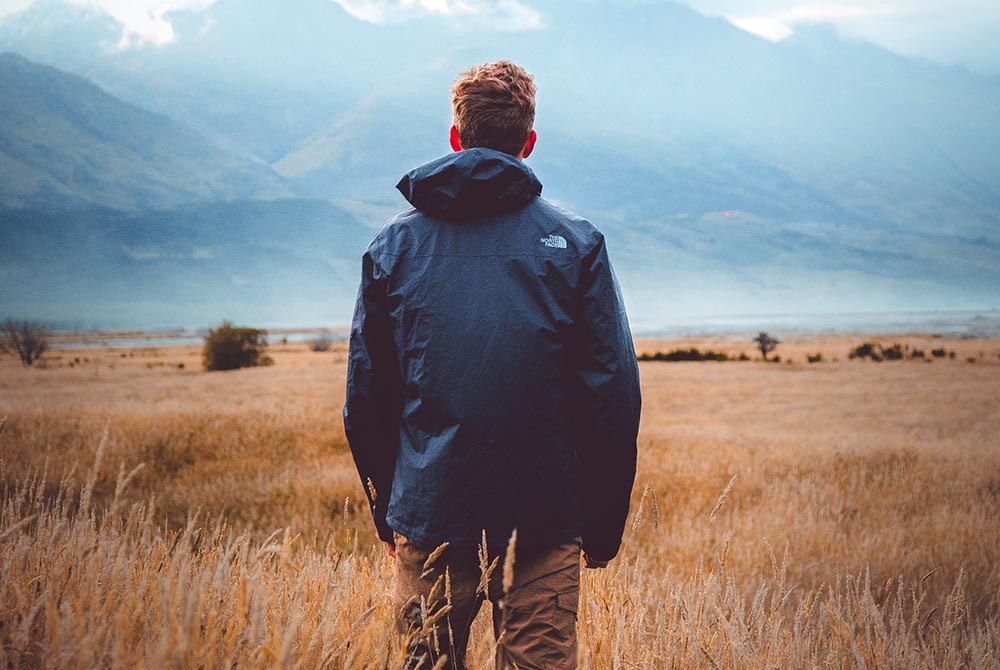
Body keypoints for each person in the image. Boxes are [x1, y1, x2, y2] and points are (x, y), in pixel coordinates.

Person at [344, 60, 641, 670]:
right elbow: (612, 394)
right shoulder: (577, 243)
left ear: (455, 136)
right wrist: (603, 521)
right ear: (528, 142)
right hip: (546, 521)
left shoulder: (392, 248)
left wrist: (388, 507)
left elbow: (366, 398)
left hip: (428, 517)